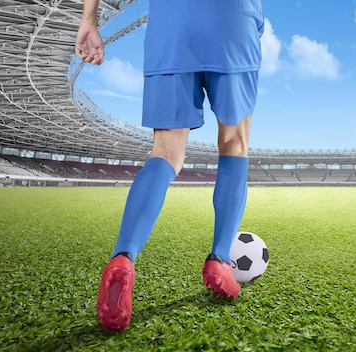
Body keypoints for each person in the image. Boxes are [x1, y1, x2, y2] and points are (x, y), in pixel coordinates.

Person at [75, 0, 264, 331]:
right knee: (234, 144)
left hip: (171, 29)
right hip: (232, 22)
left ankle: (124, 257)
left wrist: (89, 21)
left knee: (165, 152)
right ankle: (220, 259)